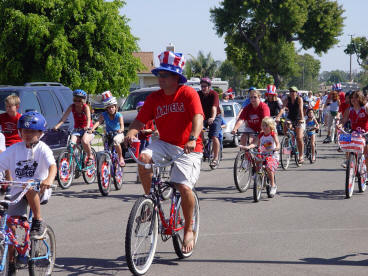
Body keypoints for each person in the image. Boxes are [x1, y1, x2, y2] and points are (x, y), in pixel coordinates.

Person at [124, 50, 204, 254]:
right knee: (143, 158)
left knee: (184, 187)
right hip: (165, 143)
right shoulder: (154, 98)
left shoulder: (188, 93)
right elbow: (139, 121)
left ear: (176, 77)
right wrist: (131, 133)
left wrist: (193, 138)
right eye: (159, 74)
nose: (161, 78)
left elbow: (198, 118)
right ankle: (149, 201)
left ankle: (188, 230)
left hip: (189, 146)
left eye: (165, 75)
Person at [0, 111, 56, 274]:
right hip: (18, 191)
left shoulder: (43, 149)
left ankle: (38, 220)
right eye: (25, 131)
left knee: (30, 185)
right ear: (20, 132)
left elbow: (53, 167)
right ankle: (11, 263)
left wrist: (49, 180)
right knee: (8, 226)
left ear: (40, 133)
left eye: (32, 132)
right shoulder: (14, 149)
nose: (27, 135)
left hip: (40, 190)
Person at [53, 89, 95, 165]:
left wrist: (88, 126)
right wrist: (57, 126)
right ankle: (69, 165)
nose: (77, 102)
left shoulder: (86, 107)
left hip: (87, 129)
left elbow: (89, 118)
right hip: (77, 129)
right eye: (75, 100)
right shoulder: (72, 107)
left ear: (83, 101)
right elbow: (64, 118)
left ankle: (90, 156)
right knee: (71, 145)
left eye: (79, 100)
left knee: (84, 141)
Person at [242, 117, 280, 196]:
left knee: (269, 167)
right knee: (256, 158)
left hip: (272, 155)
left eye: (266, 125)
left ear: (271, 127)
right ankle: (258, 174)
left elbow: (277, 143)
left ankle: (273, 185)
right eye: (263, 125)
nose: (264, 127)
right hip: (263, 154)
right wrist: (248, 147)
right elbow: (255, 143)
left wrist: (277, 147)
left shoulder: (273, 134)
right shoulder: (261, 135)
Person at [90, 91, 125, 167]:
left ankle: (120, 157)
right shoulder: (104, 114)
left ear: (115, 107)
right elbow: (98, 122)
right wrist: (92, 129)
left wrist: (121, 130)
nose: (111, 109)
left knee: (116, 141)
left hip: (118, 134)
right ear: (106, 109)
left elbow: (122, 125)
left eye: (112, 107)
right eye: (109, 108)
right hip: (108, 134)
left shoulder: (119, 115)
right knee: (105, 145)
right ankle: (106, 160)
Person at [338, 90, 368, 170]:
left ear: (360, 98)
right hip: (354, 132)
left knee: (366, 154)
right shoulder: (349, 109)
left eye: (356, 97)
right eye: (352, 98)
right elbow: (344, 121)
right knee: (347, 142)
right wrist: (340, 125)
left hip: (365, 133)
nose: (353, 99)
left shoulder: (365, 107)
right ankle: (349, 160)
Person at [276, 86, 305, 163]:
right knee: (285, 126)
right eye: (291, 92)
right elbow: (282, 109)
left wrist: (302, 119)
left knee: (299, 137)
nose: (292, 93)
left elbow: (301, 110)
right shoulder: (287, 100)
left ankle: (301, 156)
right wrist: (278, 117)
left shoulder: (299, 99)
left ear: (296, 93)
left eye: (293, 92)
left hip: (299, 118)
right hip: (290, 118)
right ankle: (287, 143)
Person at [198, 77, 222, 168]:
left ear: (209, 86)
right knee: (197, 130)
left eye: (205, 86)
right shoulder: (198, 94)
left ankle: (215, 158)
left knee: (214, 136)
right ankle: (204, 143)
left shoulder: (214, 94)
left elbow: (214, 108)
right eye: (202, 86)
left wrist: (212, 117)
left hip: (215, 116)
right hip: (203, 116)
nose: (203, 88)